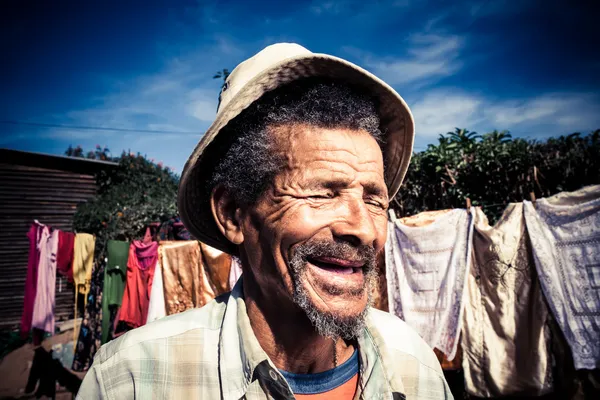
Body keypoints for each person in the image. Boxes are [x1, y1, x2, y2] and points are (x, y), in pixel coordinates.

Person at [77, 43, 453, 399]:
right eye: (322, 193)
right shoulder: (132, 379)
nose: (365, 229)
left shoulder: (414, 365)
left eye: (373, 199)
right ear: (232, 213)